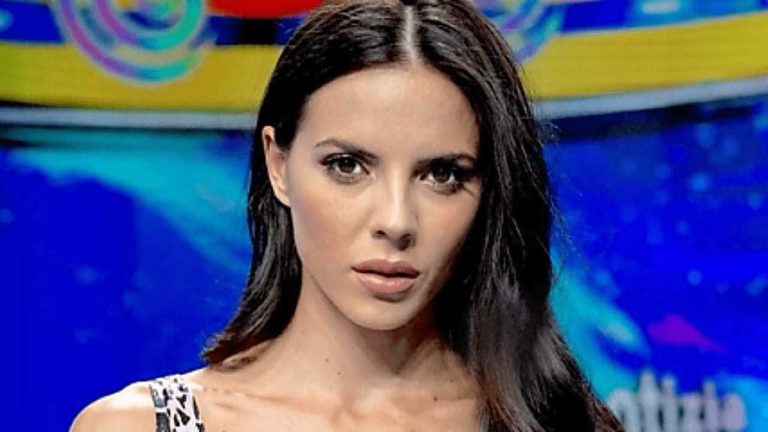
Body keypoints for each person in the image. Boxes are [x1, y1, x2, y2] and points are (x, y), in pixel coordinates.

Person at [71, 0, 625, 431]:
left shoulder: (554, 424)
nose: (396, 221)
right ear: (279, 165)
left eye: (441, 175)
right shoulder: (141, 426)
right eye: (347, 166)